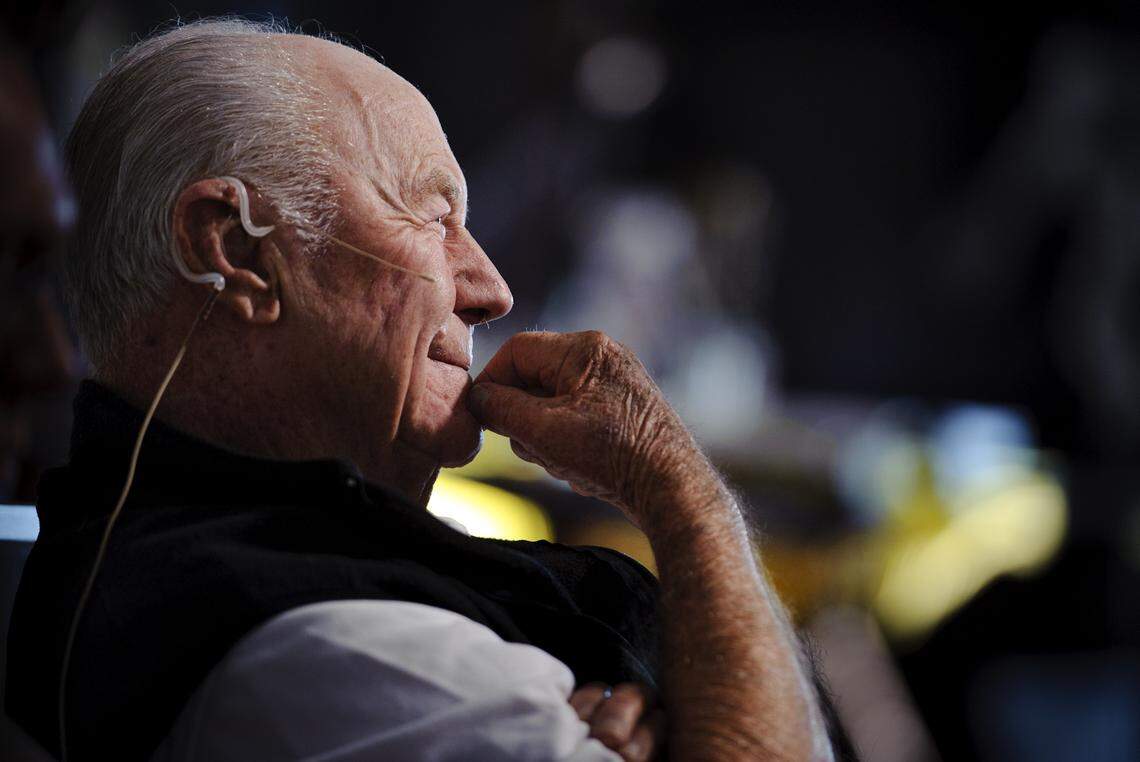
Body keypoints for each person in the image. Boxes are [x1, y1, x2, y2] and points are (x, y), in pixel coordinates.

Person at [6, 19, 844, 761]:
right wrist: (683, 492)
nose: (490, 289)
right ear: (237, 251)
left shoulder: (240, 574)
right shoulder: (337, 651)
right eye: (430, 215)